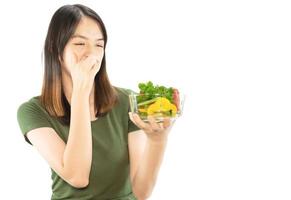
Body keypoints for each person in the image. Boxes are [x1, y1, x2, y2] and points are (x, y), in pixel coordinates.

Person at [17, 4, 174, 200]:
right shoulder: (33, 111)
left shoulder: (127, 101)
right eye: (80, 44)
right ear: (55, 49)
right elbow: (77, 176)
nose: (92, 53)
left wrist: (157, 140)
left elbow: (140, 193)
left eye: (99, 45)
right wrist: (81, 94)